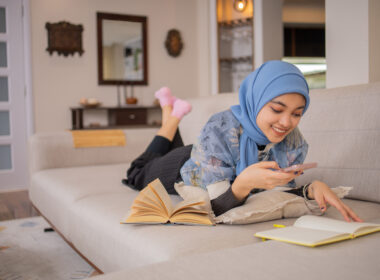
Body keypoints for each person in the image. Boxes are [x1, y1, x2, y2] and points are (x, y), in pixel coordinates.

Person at [123, 60, 362, 223]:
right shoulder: (219, 127)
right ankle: (171, 117)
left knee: (155, 157)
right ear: (255, 101)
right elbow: (208, 210)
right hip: (182, 167)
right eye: (277, 109)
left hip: (207, 154)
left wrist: (311, 189)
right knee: (137, 170)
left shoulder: (293, 143)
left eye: (297, 113)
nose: (287, 122)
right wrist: (242, 185)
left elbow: (275, 192)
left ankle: (170, 111)